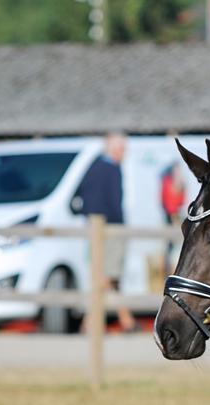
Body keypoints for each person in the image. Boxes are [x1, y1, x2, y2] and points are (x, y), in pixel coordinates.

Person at [76, 132, 137, 332]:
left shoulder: (95, 166)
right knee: (106, 275)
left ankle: (126, 320)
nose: (124, 152)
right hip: (109, 228)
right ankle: (90, 321)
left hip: (99, 226)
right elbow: (109, 203)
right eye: (121, 148)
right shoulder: (108, 168)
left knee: (112, 277)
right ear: (111, 148)